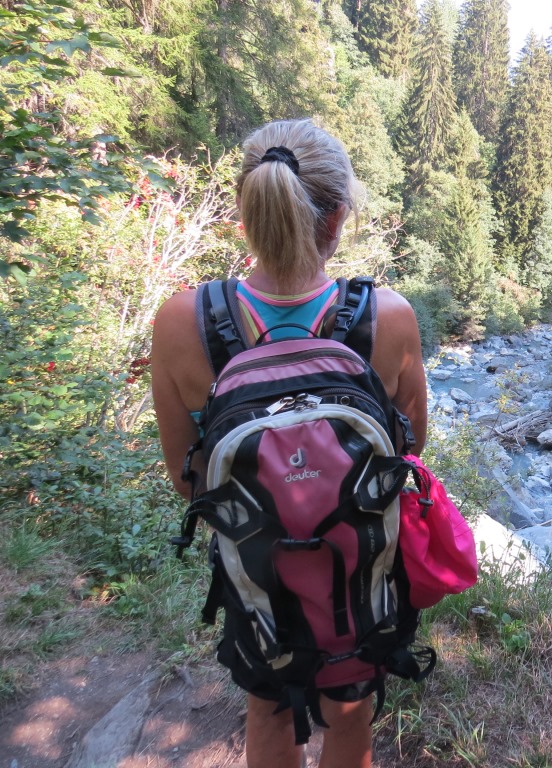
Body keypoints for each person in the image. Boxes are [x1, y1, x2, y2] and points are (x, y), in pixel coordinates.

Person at [151, 118, 428, 768]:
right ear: (337, 219)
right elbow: (410, 454)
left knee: (269, 710)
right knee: (350, 714)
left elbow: (187, 479)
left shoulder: (184, 321)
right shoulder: (387, 319)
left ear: (246, 211)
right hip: (356, 573)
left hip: (257, 573)